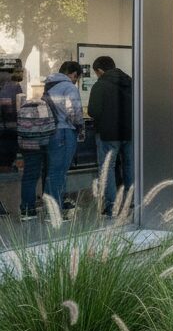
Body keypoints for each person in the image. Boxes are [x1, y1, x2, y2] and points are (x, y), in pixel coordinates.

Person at [87, 55, 133, 215]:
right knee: (129, 165)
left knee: (107, 168)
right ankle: (131, 201)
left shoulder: (100, 85)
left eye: (96, 73)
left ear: (100, 70)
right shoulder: (131, 82)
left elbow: (93, 111)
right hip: (129, 132)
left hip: (108, 134)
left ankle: (111, 205)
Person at [42, 61, 85, 214]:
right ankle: (55, 210)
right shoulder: (69, 87)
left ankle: (50, 206)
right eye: (76, 78)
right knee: (59, 172)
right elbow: (74, 111)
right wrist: (80, 126)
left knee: (53, 171)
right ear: (74, 74)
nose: (76, 81)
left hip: (52, 132)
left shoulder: (49, 85)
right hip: (65, 132)